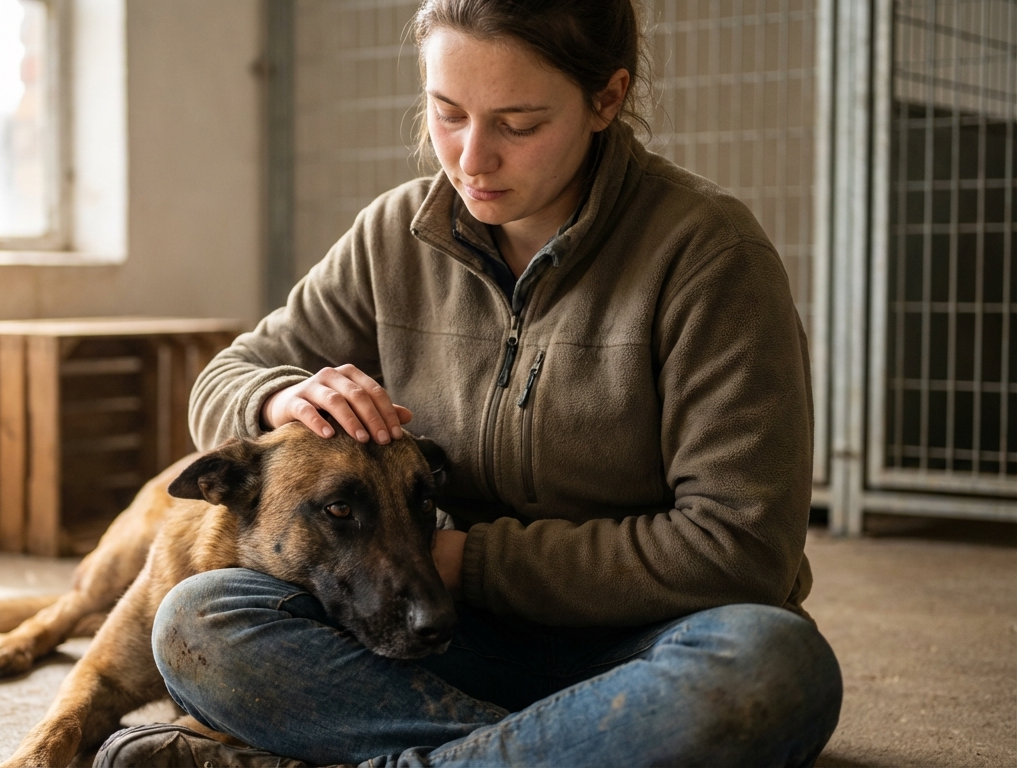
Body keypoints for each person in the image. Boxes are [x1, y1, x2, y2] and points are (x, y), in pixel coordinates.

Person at [98, 0, 842, 765]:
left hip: (642, 643)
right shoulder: (393, 236)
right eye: (446, 112)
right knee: (199, 619)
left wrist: (466, 560)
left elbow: (741, 549)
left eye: (518, 124)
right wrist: (281, 396)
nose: (471, 158)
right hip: (430, 628)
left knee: (774, 668)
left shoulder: (709, 258)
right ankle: (564, 751)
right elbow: (227, 375)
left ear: (607, 100)